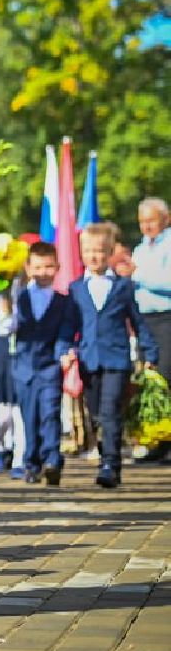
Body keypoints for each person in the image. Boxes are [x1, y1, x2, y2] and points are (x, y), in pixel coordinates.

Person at [75, 222, 158, 488]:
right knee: (97, 413)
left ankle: (110, 464)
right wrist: (63, 348)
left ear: (110, 252)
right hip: (88, 360)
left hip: (116, 358)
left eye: (100, 251)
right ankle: (106, 451)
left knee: (110, 410)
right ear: (81, 253)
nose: (94, 257)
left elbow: (137, 321)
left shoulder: (123, 287)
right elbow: (69, 325)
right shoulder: (76, 288)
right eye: (88, 251)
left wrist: (149, 351)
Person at [9, 241, 80, 486]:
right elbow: (7, 327)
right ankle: (32, 463)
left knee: (50, 414)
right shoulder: (19, 297)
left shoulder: (64, 301)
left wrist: (65, 352)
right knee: (29, 417)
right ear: (28, 268)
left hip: (49, 366)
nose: (43, 272)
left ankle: (52, 461)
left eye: (49, 266)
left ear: (58, 267)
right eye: (38, 266)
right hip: (24, 367)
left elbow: (67, 331)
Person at [133, 197, 171, 462]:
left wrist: (136, 275)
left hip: (166, 318)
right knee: (150, 382)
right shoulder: (140, 249)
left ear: (165, 219)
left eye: (151, 221)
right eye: (142, 221)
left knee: (167, 378)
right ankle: (157, 440)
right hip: (144, 321)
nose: (146, 226)